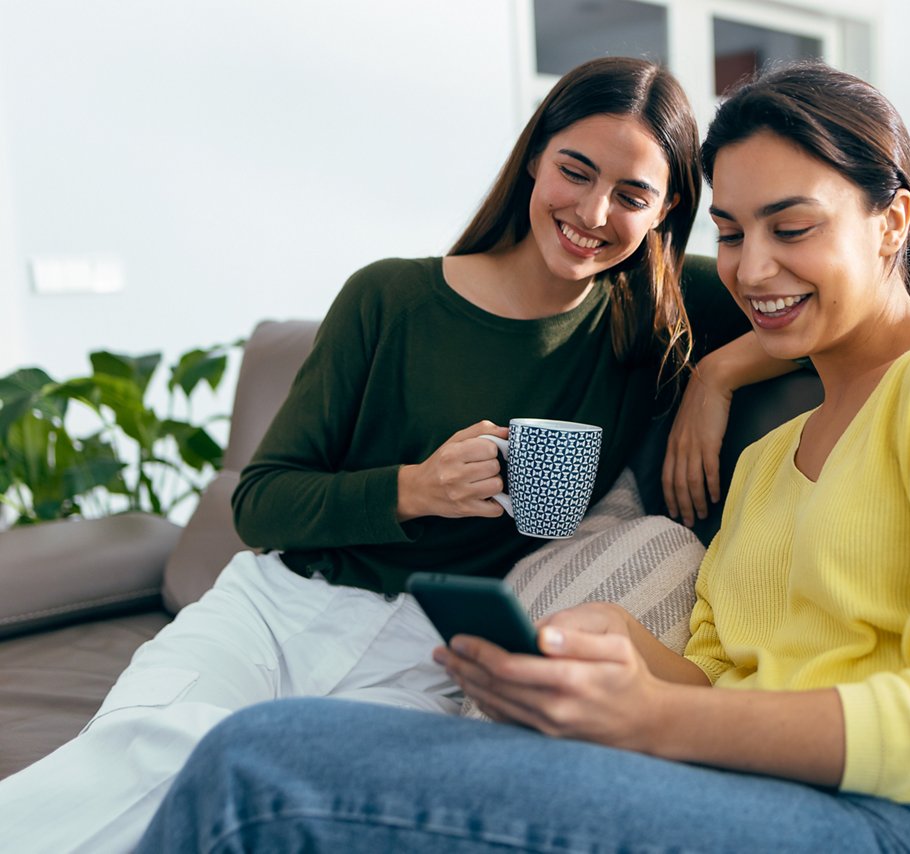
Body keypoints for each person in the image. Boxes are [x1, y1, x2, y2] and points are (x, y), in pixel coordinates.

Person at [137, 62, 910, 854]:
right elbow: (717, 677)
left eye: (791, 227)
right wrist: (609, 659)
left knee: (258, 768)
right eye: (733, 232)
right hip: (771, 789)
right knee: (292, 745)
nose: (751, 270)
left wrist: (654, 717)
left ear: (890, 219)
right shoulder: (769, 458)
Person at [0, 57, 794, 853]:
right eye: (575, 171)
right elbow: (262, 501)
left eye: (632, 195)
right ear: (533, 157)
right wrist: (416, 488)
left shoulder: (656, 315)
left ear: (666, 212)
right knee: (152, 758)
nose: (593, 212)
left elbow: (856, 296)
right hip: (276, 612)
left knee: (309, 813)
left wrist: (716, 376)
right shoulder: (390, 298)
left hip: (430, 655)